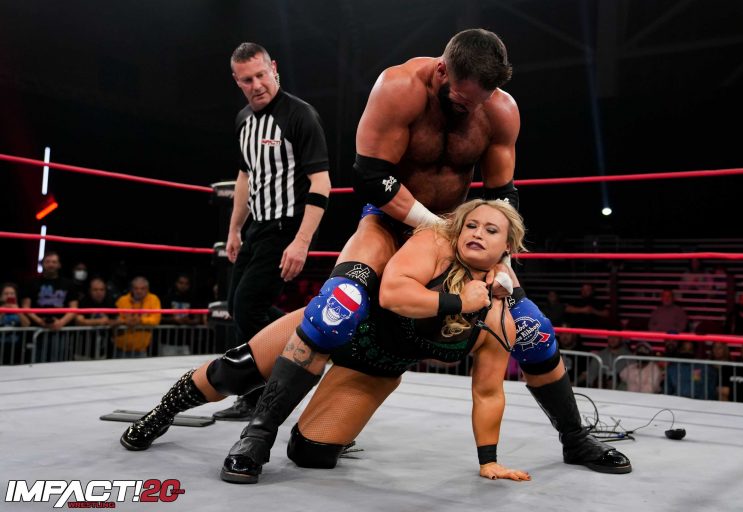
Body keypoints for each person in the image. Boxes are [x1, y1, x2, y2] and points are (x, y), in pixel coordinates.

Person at [219, 28, 627, 477]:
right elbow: (370, 175)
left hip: (458, 237)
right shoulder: (399, 87)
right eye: (460, 100)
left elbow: (501, 195)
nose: (467, 109)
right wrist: (438, 229)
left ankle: (575, 439)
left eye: (478, 102)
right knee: (337, 307)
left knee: (532, 328)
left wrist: (501, 260)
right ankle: (258, 435)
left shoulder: (500, 111)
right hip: (388, 222)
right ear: (442, 71)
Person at [119, 200, 631, 482]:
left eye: (490, 230)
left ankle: (317, 428)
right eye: (470, 224)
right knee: (234, 372)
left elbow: (488, 391)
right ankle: (162, 414)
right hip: (356, 325)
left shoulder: (500, 317)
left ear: (508, 248)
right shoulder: (432, 245)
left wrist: (488, 460)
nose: (476, 232)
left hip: (376, 366)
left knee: (313, 454)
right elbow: (391, 293)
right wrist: (458, 300)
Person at [214, 42, 332, 421]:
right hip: (257, 227)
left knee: (248, 305)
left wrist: (301, 242)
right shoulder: (243, 120)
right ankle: (308, 340)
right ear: (237, 81)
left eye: (261, 75)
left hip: (288, 227)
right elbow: (245, 177)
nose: (256, 85)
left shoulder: (300, 115)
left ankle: (270, 387)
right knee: (239, 307)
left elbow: (321, 183)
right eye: (247, 80)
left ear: (274, 68)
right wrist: (234, 229)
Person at [20, 251, 79, 362]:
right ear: (42, 264)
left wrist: (60, 323)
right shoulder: (32, 283)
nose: (51, 264)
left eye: (54, 262)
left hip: (61, 331)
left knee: (59, 363)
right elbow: (25, 307)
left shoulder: (68, 284)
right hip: (37, 330)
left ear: (59, 265)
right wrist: (40, 321)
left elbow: (74, 308)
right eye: (47, 262)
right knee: (36, 362)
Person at [113, 277, 162, 358]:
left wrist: (140, 320)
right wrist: (125, 321)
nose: (139, 291)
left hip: (141, 350)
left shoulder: (153, 299)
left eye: (142, 288)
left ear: (147, 289)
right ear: (131, 289)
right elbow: (115, 319)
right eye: (136, 288)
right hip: (121, 348)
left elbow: (156, 319)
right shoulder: (122, 300)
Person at [75, 277, 117, 359]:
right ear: (90, 291)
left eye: (102, 290)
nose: (99, 292)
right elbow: (79, 321)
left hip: (104, 349)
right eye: (95, 290)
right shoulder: (84, 302)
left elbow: (118, 319)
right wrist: (99, 321)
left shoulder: (109, 302)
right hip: (83, 349)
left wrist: (109, 322)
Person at [1, 283, 30, 364]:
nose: (9, 296)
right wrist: (3, 310)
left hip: (17, 348)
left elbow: (27, 324)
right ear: (1, 296)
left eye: (12, 293)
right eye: (6, 294)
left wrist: (18, 311)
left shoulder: (18, 309)